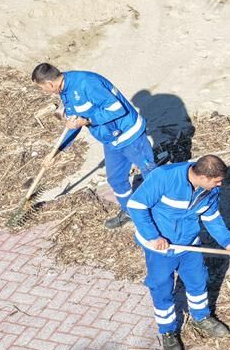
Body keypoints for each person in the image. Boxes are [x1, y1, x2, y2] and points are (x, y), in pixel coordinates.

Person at [125, 155, 230, 350]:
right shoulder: (164, 177)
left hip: (189, 244)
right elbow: (136, 206)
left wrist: (227, 242)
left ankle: (201, 316)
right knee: (162, 288)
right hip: (160, 248)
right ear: (203, 177)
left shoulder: (210, 190)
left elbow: (211, 217)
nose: (220, 184)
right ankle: (168, 332)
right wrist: (153, 236)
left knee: (198, 280)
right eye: (217, 181)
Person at [30, 63, 156, 229]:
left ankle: (164, 213)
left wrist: (88, 120)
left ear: (49, 84)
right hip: (110, 140)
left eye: (42, 88)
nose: (44, 92)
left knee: (152, 175)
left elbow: (117, 108)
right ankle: (130, 212)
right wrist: (56, 152)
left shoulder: (86, 83)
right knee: (116, 179)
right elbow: (74, 123)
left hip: (129, 135)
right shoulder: (66, 92)